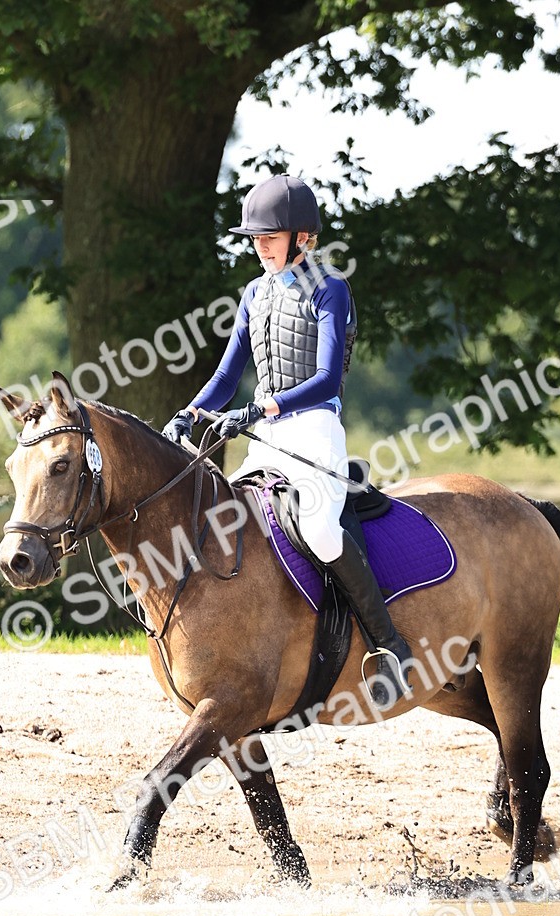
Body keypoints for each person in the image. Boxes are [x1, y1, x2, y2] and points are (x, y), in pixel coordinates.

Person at [162, 173, 412, 707]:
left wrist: (261, 407)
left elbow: (325, 378)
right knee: (221, 522)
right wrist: (189, 413)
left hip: (315, 432)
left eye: (269, 237)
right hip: (265, 439)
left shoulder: (330, 288)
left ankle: (390, 646)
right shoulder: (255, 293)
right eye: (255, 238)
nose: (260, 246)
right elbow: (227, 376)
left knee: (319, 530)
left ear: (303, 237)